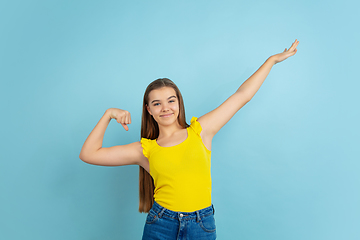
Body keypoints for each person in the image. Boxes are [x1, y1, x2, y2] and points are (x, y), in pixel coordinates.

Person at [79, 39, 299, 240]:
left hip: (201, 224)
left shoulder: (201, 130)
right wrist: (108, 115)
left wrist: (271, 61)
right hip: (160, 223)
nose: (165, 108)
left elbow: (242, 96)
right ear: (149, 110)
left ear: (179, 103)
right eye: (157, 103)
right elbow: (89, 154)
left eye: (171, 100)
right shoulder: (144, 149)